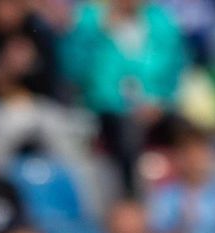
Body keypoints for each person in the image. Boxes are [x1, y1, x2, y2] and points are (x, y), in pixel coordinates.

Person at [60, 0, 189, 192]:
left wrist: (161, 101)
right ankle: (131, 199)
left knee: (187, 131)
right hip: (108, 109)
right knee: (128, 133)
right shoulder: (89, 20)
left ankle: (193, 197)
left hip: (157, 106)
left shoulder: (161, 21)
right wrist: (97, 33)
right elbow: (73, 69)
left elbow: (177, 66)